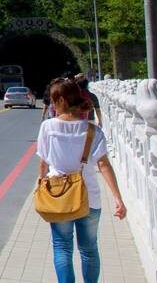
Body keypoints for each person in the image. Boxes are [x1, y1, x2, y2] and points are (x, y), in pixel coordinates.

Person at [36, 78, 126, 283]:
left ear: (59, 101)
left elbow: (43, 164)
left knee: (62, 248)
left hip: (58, 197)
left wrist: (40, 186)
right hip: (90, 198)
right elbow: (104, 166)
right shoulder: (93, 130)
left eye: (52, 100)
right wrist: (118, 198)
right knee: (89, 249)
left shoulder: (48, 128)